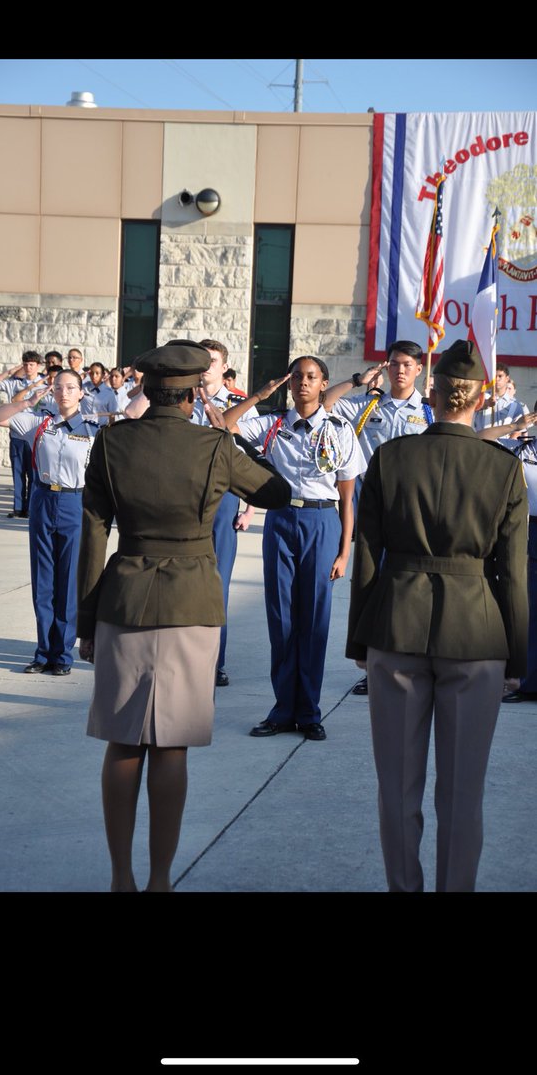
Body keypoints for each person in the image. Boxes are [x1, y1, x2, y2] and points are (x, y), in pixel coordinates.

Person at [76, 340, 291, 893]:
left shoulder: (111, 443)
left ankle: (120, 877)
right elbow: (277, 494)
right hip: (191, 603)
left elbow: (94, 535)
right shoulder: (215, 446)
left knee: (124, 742)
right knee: (170, 744)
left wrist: (85, 621)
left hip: (124, 600)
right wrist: (232, 438)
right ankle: (161, 879)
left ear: (146, 388)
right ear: (196, 391)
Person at [346, 340, 529, 893]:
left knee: (397, 788)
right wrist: (516, 658)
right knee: (462, 792)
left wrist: (361, 639)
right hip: (475, 637)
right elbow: (514, 575)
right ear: (478, 401)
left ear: (434, 392)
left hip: (396, 626)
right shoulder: (502, 469)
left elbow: (368, 556)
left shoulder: (391, 458)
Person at [223, 355, 365, 740]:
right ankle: (282, 709)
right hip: (282, 520)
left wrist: (344, 550)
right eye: (297, 377)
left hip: (322, 522)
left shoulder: (339, 429)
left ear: (324, 384)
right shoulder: (272, 426)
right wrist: (259, 393)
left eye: (312, 377)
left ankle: (309, 711)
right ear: (289, 383)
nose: (303, 382)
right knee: (282, 619)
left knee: (314, 621)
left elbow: (347, 493)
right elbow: (224, 424)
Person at [325, 340, 433, 695]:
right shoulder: (368, 403)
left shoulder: (430, 412)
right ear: (386, 367)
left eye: (406, 365)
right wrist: (358, 379)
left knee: (411, 589)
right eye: (394, 364)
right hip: (375, 509)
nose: (399, 370)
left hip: (415, 511)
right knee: (373, 588)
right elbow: (325, 403)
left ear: (418, 369)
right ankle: (376, 668)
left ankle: (413, 662)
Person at [0, 370, 100, 675]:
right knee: (43, 581)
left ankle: (62, 654)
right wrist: (28, 402)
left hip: (75, 502)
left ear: (81, 394)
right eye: (59, 387)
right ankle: (43, 651)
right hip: (42, 499)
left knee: (68, 580)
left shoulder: (92, 430)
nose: (64, 393)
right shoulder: (40, 422)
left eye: (71, 388)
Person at [190, 338, 259, 687]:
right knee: (185, 580)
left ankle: (215, 662)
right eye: (200, 360)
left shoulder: (240, 404)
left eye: (211, 361)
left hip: (224, 500)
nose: (205, 366)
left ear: (223, 367)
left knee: (218, 585)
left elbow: (254, 458)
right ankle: (188, 655)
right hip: (185, 500)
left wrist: (248, 508)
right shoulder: (182, 401)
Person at [479, 403, 537, 704]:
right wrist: (516, 424)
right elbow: (482, 437)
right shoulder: (523, 451)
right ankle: (526, 683)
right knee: (528, 611)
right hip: (528, 530)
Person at [0, 350, 44, 517]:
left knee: (33, 475)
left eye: (32, 364)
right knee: (18, 473)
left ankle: (31, 508)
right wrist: (10, 371)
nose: (28, 367)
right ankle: (18, 508)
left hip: (34, 435)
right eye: (25, 364)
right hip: (17, 434)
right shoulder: (15, 382)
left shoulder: (45, 384)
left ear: (38, 366)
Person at [473, 362, 529, 433]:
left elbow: (518, 431)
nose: (496, 379)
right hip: (481, 441)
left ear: (507, 378)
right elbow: (472, 408)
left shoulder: (515, 405)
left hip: (503, 442)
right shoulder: (481, 397)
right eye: (494, 376)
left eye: (500, 376)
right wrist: (486, 403)